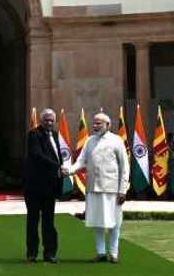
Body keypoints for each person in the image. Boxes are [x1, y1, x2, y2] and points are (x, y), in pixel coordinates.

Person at [63, 112, 129, 263]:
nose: (95, 126)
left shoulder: (116, 140)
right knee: (96, 221)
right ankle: (100, 253)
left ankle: (113, 253)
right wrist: (69, 170)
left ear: (108, 125)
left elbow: (124, 166)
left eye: (99, 123)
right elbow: (81, 161)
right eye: (94, 123)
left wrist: (123, 189)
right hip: (93, 187)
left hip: (112, 188)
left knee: (115, 221)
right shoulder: (90, 140)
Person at [24, 108, 63, 263]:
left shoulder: (55, 135)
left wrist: (61, 168)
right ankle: (32, 253)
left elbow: (58, 155)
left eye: (52, 120)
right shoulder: (34, 134)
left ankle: (50, 253)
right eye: (46, 120)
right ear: (41, 120)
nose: (49, 122)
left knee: (49, 221)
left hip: (50, 186)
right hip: (34, 186)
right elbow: (37, 155)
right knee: (33, 220)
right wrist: (57, 167)